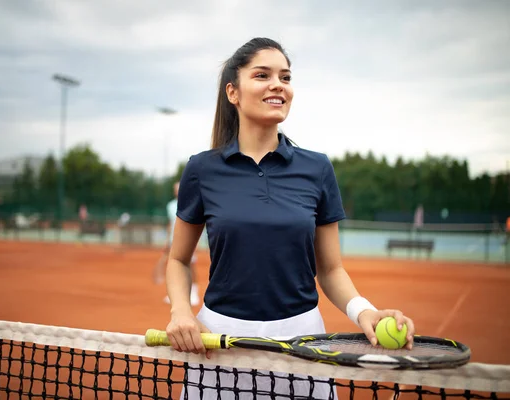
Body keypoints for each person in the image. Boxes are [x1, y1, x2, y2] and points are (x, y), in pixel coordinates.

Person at [164, 38, 416, 399]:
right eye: (262, 75)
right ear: (233, 92)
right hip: (218, 343)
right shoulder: (202, 169)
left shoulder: (317, 168)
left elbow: (329, 269)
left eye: (285, 76)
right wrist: (181, 313)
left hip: (303, 343)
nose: (278, 84)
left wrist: (365, 312)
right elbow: (177, 259)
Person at [153, 182, 200, 306]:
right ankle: (175, 295)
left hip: (188, 239)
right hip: (173, 241)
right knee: (174, 265)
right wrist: (167, 240)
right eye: (175, 190)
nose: (177, 192)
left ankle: (194, 292)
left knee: (191, 265)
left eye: (179, 189)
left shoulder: (192, 202)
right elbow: (170, 223)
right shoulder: (170, 205)